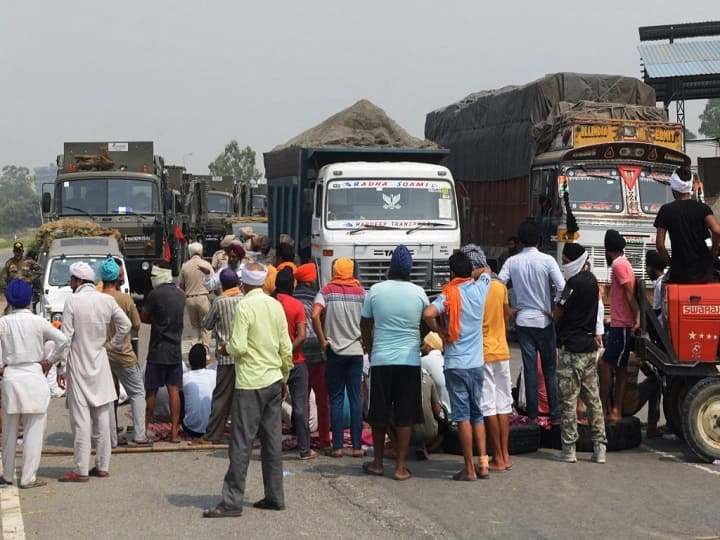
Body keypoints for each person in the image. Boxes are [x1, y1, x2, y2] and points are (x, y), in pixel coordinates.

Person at [203, 262, 293, 518]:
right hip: (273, 379)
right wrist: (284, 377)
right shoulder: (275, 306)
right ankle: (275, 496)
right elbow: (285, 347)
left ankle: (231, 502)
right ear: (265, 281)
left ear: (244, 282)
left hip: (249, 382)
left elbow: (239, 346)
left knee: (241, 443)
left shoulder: (245, 306)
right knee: (272, 442)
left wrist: (225, 349)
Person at [58, 262, 131, 482]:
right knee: (102, 419)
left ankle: (81, 469)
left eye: (71, 280)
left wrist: (60, 366)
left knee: (81, 422)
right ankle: (102, 466)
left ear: (78, 281)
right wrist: (112, 344)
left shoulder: (72, 300)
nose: (70, 284)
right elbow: (126, 325)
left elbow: (65, 338)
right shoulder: (106, 300)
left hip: (79, 366)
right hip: (100, 363)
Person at [361, 246, 428, 481]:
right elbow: (427, 322)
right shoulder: (419, 293)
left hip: (381, 360)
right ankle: (400, 467)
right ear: (409, 269)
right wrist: (420, 341)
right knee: (405, 416)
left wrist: (369, 349)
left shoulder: (376, 291)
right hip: (409, 362)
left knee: (379, 414)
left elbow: (365, 323)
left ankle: (378, 463)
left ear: (391, 267)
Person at [424, 252, 492, 481]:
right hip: (476, 363)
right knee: (477, 415)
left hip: (455, 363)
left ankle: (469, 469)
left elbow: (428, 314)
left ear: (452, 273)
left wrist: (441, 332)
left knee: (462, 417)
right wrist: (469, 275)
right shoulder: (481, 288)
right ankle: (483, 464)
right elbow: (487, 271)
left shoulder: (448, 296)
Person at [0, 280, 67, 488]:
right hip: (34, 375)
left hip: (11, 377)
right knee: (33, 432)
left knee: (9, 432)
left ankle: (7, 475)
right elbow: (63, 340)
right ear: (30, 300)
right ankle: (28, 478)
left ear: (9, 299)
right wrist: (51, 360)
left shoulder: (3, 323)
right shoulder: (38, 322)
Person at [498, 220, 564, 424]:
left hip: (523, 320)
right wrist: (554, 307)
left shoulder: (512, 262)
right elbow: (562, 286)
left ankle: (533, 415)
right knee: (549, 369)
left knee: (530, 369)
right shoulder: (547, 260)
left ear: (519, 241)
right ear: (539, 240)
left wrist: (508, 309)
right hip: (543, 320)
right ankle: (554, 414)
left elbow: (499, 284)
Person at [551, 242, 607, 464]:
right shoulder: (593, 282)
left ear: (574, 261)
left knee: (568, 400)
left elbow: (558, 313)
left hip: (571, 350)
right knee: (593, 400)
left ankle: (569, 449)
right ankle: (599, 447)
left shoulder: (572, 284)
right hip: (589, 349)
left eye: (565, 262)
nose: (563, 265)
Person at [463, 243, 513, 473]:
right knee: (503, 405)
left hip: (483, 353)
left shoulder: (473, 289)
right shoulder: (500, 287)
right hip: (502, 351)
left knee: (488, 407)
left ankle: (496, 456)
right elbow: (506, 316)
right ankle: (505, 455)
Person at [312, 258, 366, 458]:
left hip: (334, 351)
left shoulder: (326, 291)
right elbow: (369, 318)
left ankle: (337, 447)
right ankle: (358, 447)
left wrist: (322, 340)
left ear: (335, 270)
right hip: (356, 352)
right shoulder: (361, 293)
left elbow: (315, 315)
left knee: (335, 398)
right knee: (355, 399)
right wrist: (365, 339)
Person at [99, 258, 152, 447]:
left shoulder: (97, 299)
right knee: (137, 393)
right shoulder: (124, 299)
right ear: (117, 277)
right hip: (124, 354)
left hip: (103, 356)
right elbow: (136, 325)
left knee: (109, 397)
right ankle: (139, 435)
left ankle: (112, 438)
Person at [195, 267, 244, 444]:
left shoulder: (219, 301)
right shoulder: (245, 300)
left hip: (225, 356)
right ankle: (243, 435)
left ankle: (212, 435)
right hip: (244, 356)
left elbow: (207, 324)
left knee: (221, 398)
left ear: (222, 285)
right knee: (243, 398)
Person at [274, 267, 316, 460]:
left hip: (272, 363)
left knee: (271, 406)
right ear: (292, 285)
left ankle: (272, 448)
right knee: (300, 407)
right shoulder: (296, 305)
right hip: (296, 361)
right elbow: (302, 336)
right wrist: (289, 350)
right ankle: (305, 450)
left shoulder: (270, 304)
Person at [142, 264, 186, 444]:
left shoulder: (155, 294)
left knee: (151, 390)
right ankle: (174, 432)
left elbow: (144, 317)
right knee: (174, 390)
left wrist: (156, 320)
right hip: (175, 349)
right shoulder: (181, 294)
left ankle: (143, 429)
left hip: (157, 349)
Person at [600, 229, 640, 424]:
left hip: (622, 324)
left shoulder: (618, 265)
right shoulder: (624, 263)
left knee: (606, 364)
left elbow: (628, 292)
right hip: (620, 322)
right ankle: (614, 409)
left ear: (607, 249)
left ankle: (607, 408)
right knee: (621, 368)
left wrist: (637, 316)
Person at [654, 167, 720, 283]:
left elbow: (660, 245)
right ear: (692, 187)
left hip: (680, 274)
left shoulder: (666, 210)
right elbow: (717, 230)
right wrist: (713, 253)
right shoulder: (702, 208)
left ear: (673, 189)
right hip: (704, 272)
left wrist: (671, 263)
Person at [294, 263, 330, 450]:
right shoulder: (318, 297)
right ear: (311, 279)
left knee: (302, 398)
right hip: (317, 349)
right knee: (322, 398)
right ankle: (324, 438)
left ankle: (304, 438)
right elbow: (321, 319)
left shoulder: (292, 298)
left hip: (299, 350)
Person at [179, 242, 212, 348]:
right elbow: (213, 282)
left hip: (190, 298)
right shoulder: (206, 264)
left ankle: (194, 348)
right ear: (201, 252)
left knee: (195, 326)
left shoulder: (185, 266)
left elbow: (181, 284)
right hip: (203, 297)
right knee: (206, 326)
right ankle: (206, 350)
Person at [182, 343, 217, 438]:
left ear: (189, 361)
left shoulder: (185, 377)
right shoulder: (214, 374)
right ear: (206, 361)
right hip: (212, 427)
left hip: (190, 428)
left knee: (180, 394)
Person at [421, 332, 450, 415]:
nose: (421, 348)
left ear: (429, 346)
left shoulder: (425, 361)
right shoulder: (444, 359)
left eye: (423, 345)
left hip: (443, 414)